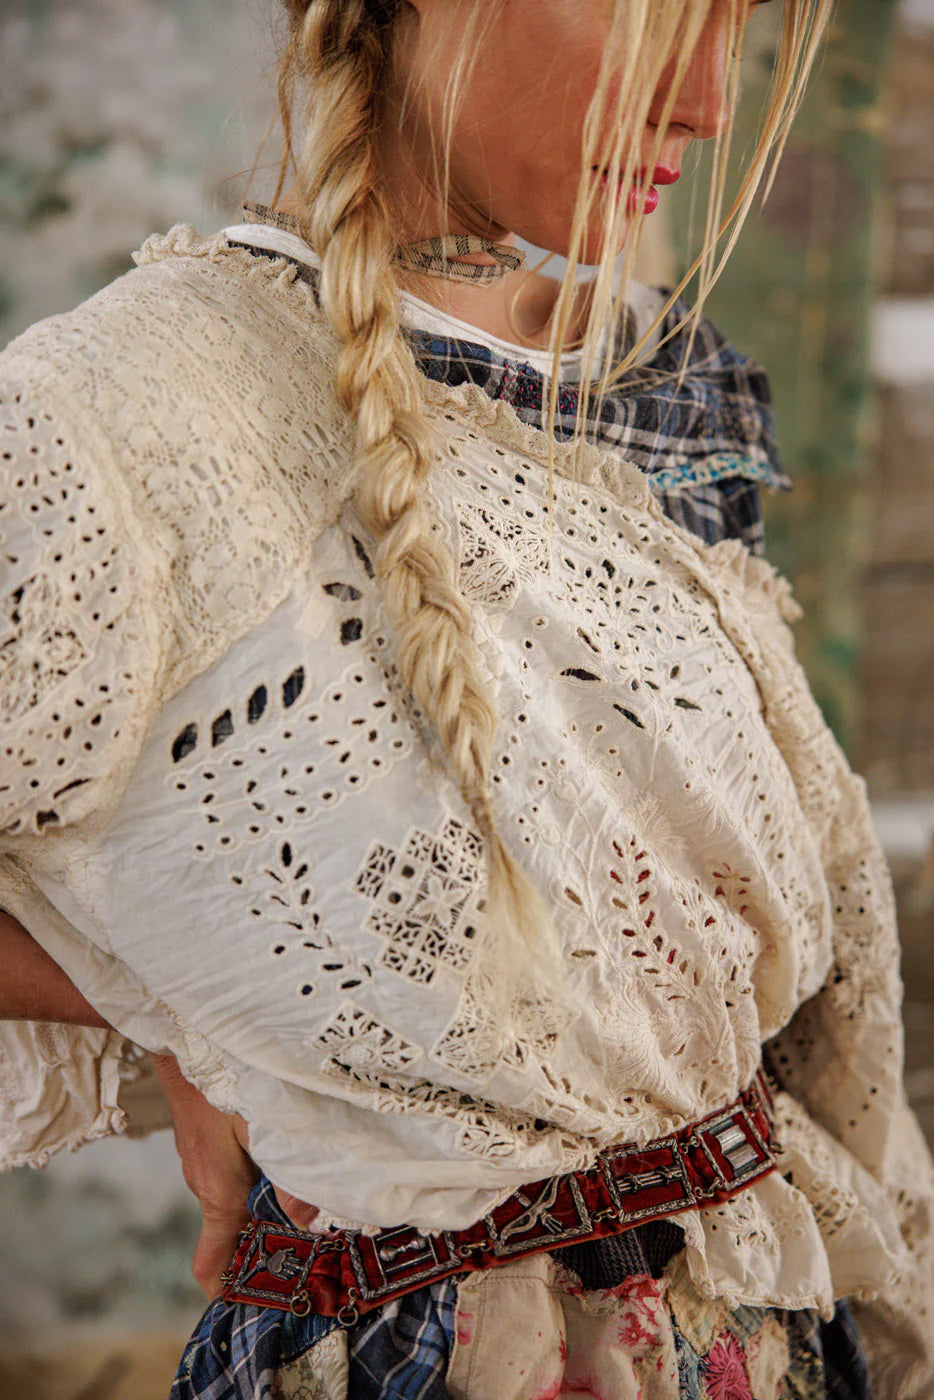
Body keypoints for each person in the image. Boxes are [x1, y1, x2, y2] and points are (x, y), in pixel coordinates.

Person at [1, 0, 932, 1396]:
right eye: (660, 13)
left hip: (762, 1324)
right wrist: (174, 1025)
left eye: (736, 28)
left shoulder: (675, 393)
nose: (703, 104)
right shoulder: (114, 421)